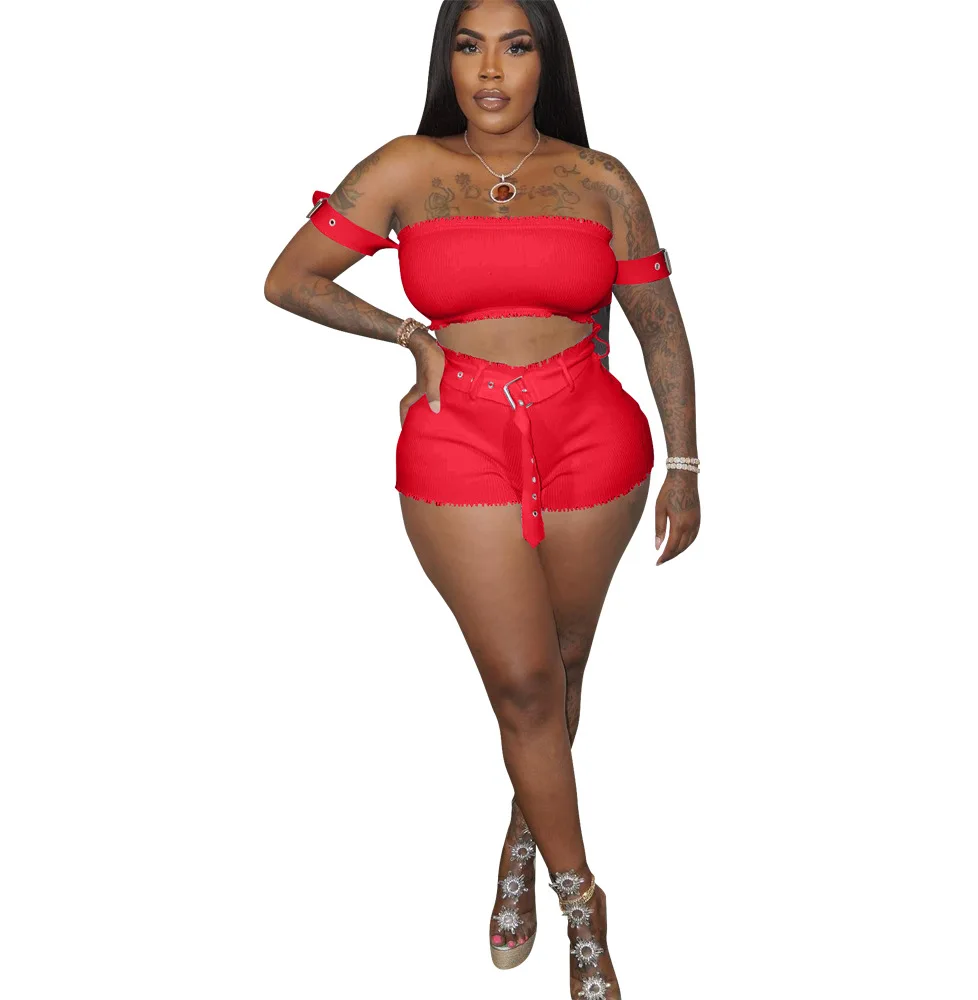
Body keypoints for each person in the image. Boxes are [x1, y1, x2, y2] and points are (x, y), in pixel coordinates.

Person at [263, 1, 700, 995]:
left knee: (566, 661)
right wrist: (408, 336)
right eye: (468, 46)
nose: (490, 70)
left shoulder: (601, 180)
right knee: (526, 683)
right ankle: (583, 904)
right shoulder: (406, 167)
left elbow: (658, 324)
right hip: (456, 437)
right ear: (446, 61)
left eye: (515, 46)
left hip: (593, 439)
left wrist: (684, 464)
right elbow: (290, 278)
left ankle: (525, 832)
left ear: (547, 61)